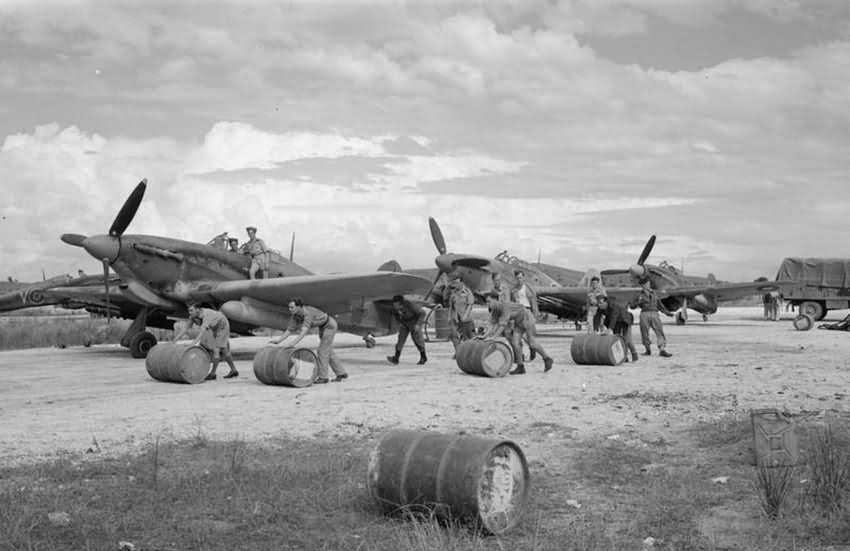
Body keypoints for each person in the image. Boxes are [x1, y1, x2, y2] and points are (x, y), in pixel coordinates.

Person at [270, 298, 347, 383]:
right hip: (323, 327)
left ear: (299, 306)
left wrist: (292, 344)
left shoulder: (307, 313)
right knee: (328, 350)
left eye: (292, 307)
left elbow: (303, 332)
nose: (290, 309)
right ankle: (341, 373)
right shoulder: (295, 315)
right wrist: (279, 341)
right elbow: (289, 330)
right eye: (289, 307)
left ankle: (323, 377)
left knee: (322, 351)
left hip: (330, 326)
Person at [481, 292, 553, 375]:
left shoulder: (505, 307)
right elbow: (492, 324)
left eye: (489, 301)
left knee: (532, 343)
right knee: (516, 343)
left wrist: (494, 337)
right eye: (487, 302)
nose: (487, 304)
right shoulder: (495, 310)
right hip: (518, 321)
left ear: (495, 300)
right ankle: (520, 367)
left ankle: (547, 359)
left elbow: (502, 325)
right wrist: (484, 336)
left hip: (527, 318)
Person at [173, 302, 238, 381]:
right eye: (189, 311)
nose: (189, 313)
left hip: (222, 326)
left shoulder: (206, 316)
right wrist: (174, 340)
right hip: (213, 327)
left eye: (191, 310)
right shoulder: (193, 316)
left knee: (217, 349)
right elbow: (185, 328)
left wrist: (193, 343)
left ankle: (213, 374)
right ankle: (234, 370)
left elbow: (202, 332)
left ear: (198, 310)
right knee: (219, 348)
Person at [629, 278, 673, 357]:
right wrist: (638, 301)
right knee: (644, 332)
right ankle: (647, 349)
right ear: (642, 285)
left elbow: (659, 305)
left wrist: (667, 312)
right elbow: (632, 306)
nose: (648, 285)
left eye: (648, 283)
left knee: (659, 331)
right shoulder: (639, 295)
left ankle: (662, 349)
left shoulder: (654, 293)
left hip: (654, 313)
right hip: (644, 313)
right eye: (646, 284)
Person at [594, 296, 638, 362]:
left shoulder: (614, 306)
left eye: (601, 303)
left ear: (606, 302)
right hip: (616, 323)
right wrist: (595, 329)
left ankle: (634, 354)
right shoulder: (600, 308)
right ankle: (624, 357)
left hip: (625, 320)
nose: (599, 305)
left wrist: (610, 329)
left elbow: (613, 317)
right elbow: (597, 317)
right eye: (598, 303)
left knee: (627, 340)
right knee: (617, 340)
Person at [386, 295, 427, 365]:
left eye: (396, 305)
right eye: (394, 304)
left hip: (414, 322)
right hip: (404, 323)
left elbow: (422, 313)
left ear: (401, 304)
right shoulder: (394, 309)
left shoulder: (410, 305)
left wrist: (418, 324)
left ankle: (423, 357)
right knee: (400, 340)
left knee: (417, 340)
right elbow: (396, 316)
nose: (394, 306)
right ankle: (396, 358)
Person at [447, 277, 475, 353]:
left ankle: (470, 352)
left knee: (468, 336)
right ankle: (458, 352)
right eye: (455, 283)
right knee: (453, 334)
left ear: (462, 283)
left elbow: (470, 304)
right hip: (455, 317)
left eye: (457, 283)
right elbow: (451, 306)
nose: (456, 284)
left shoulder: (467, 291)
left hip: (465, 317)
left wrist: (466, 315)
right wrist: (449, 317)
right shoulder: (453, 293)